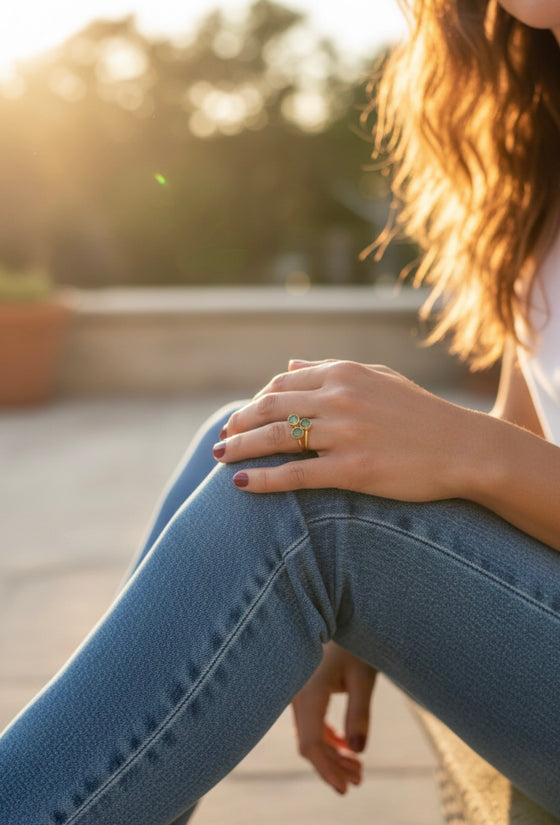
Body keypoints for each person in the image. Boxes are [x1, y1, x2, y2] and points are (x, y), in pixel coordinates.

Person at [1, 0, 560, 822]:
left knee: (307, 507)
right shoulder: (543, 143)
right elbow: (527, 432)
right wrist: (405, 578)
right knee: (249, 436)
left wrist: (458, 451)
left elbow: (494, 451)